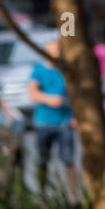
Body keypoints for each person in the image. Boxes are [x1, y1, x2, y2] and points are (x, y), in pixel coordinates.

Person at [28, 38, 78, 197]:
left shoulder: (66, 71)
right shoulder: (38, 71)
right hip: (44, 122)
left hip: (64, 121)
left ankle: (74, 196)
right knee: (43, 160)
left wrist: (76, 116)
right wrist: (49, 99)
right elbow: (32, 92)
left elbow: (76, 95)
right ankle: (42, 195)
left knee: (68, 160)